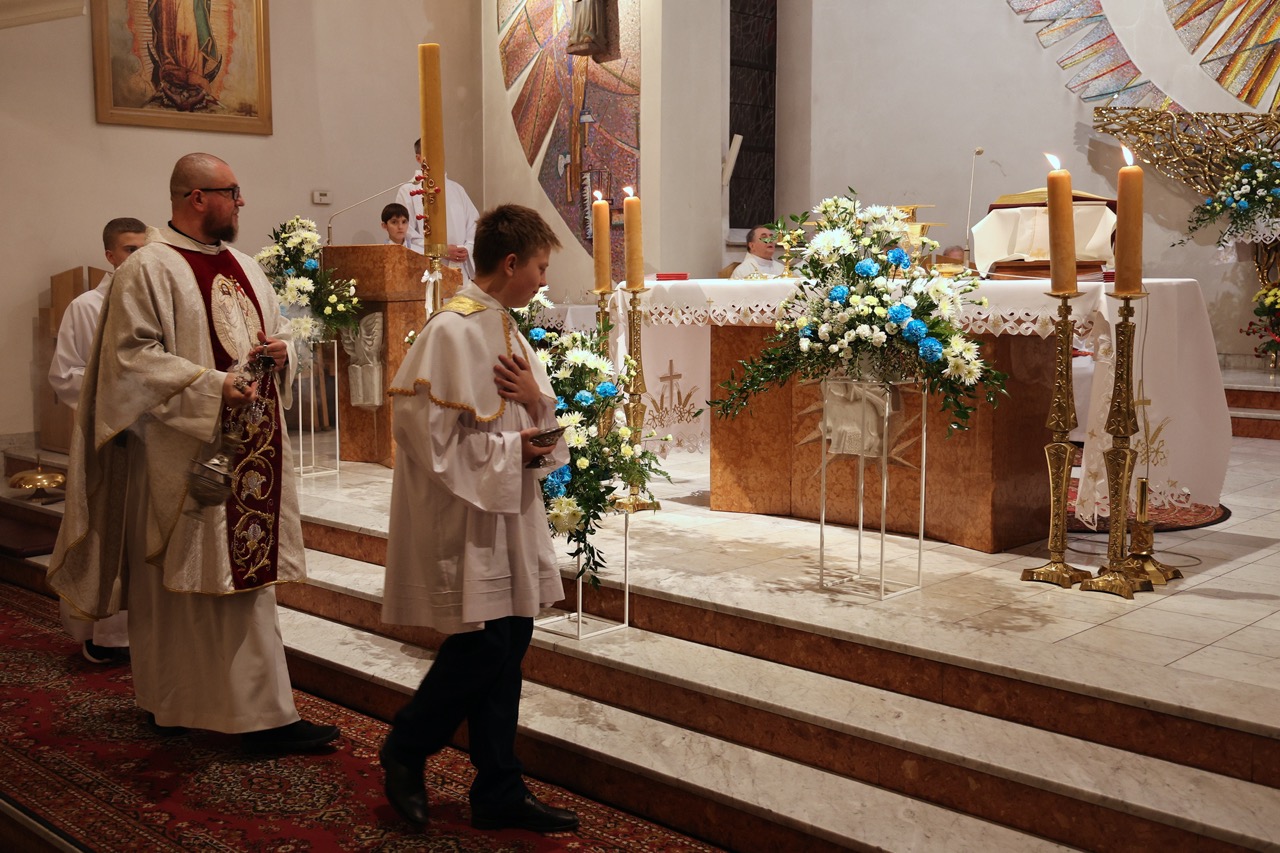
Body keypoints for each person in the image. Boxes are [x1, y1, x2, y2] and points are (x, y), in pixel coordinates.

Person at [47, 153, 339, 753]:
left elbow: (273, 334)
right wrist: (212, 387)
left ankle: (254, 711)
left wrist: (282, 352)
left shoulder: (246, 267)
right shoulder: (147, 269)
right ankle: (181, 704)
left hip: (250, 453)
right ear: (196, 197)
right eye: (232, 191)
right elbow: (130, 361)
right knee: (176, 589)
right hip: (178, 459)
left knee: (242, 590)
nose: (241, 201)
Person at [379, 204, 578, 834]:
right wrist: (514, 449)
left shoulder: (505, 326)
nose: (544, 280)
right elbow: (424, 437)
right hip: (468, 515)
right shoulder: (451, 330)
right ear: (511, 262)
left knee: (509, 642)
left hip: (509, 508)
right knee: (485, 644)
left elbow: (533, 414)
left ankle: (498, 787)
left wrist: (537, 410)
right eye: (540, 267)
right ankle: (406, 746)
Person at [48, 217, 147, 665]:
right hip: (108, 437)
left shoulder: (153, 305)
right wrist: (116, 390)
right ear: (109, 255)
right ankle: (103, 635)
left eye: (144, 249)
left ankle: (145, 630)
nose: (138, 258)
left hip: (153, 436)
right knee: (107, 533)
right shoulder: (86, 307)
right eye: (130, 250)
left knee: (142, 538)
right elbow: (64, 374)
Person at [394, 137, 480, 282]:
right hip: (426, 271)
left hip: (459, 268)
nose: (437, 157)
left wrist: (467, 248)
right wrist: (441, 251)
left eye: (439, 152)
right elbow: (406, 233)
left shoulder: (457, 189)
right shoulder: (408, 191)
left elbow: (474, 224)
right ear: (418, 158)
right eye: (430, 153)